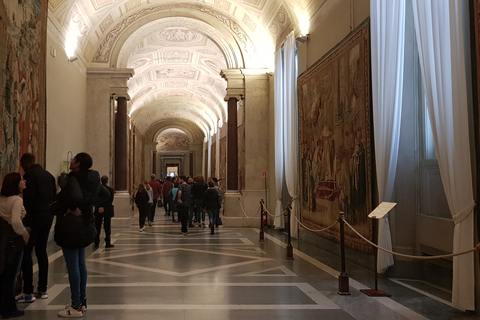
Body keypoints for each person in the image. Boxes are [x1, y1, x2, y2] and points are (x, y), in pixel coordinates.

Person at [53, 152, 108, 318]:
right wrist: (89, 207)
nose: (71, 161)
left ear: (77, 163)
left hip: (72, 226)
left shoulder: (74, 179)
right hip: (86, 224)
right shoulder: (93, 179)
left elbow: (75, 197)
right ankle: (82, 302)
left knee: (73, 266)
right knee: (80, 263)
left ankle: (75, 306)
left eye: (74, 159)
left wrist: (70, 208)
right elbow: (106, 195)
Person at [15, 153, 56, 303]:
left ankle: (27, 291)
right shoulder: (49, 175)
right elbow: (54, 197)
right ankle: (43, 289)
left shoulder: (29, 175)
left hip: (34, 219)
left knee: (27, 252)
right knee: (41, 250)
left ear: (24, 164)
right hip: (48, 217)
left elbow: (28, 200)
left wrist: (24, 217)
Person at [0, 173, 30, 319]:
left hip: (4, 240)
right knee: (11, 276)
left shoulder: (2, 199)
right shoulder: (17, 200)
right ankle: (9, 309)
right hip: (14, 241)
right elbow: (16, 221)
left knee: (3, 275)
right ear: (15, 184)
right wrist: (25, 234)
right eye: (21, 180)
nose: (24, 181)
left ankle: (3, 306)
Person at [94, 175, 115, 248]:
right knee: (107, 227)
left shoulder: (96, 189)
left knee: (97, 226)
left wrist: (99, 207)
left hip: (98, 210)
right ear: (107, 181)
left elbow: (94, 199)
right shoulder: (111, 190)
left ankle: (96, 241)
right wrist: (104, 207)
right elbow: (110, 200)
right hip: (107, 210)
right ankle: (108, 242)